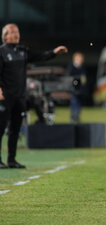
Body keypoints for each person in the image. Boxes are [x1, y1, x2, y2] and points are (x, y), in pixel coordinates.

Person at [0, 23, 68, 169]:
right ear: (5, 36)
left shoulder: (22, 51)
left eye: (17, 32)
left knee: (15, 129)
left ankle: (11, 160)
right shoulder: (2, 52)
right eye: (13, 32)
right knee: (0, 129)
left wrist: (54, 52)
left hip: (19, 96)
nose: (17, 34)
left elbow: (39, 56)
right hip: (4, 96)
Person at [67, 52, 87, 123]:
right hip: (73, 87)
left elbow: (84, 78)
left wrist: (83, 84)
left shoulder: (82, 67)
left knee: (79, 103)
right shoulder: (71, 67)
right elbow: (69, 77)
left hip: (80, 88)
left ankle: (77, 117)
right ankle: (73, 117)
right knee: (74, 102)